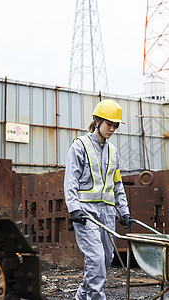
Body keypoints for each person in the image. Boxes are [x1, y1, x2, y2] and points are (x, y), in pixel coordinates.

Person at [64, 99, 131, 300]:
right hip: (86, 213)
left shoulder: (113, 151)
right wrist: (74, 208)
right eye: (109, 124)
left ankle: (80, 297)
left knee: (107, 258)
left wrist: (124, 210)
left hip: (108, 213)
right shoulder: (80, 146)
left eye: (115, 125)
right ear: (96, 120)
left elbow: (117, 184)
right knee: (96, 258)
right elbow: (71, 180)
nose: (112, 129)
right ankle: (95, 297)